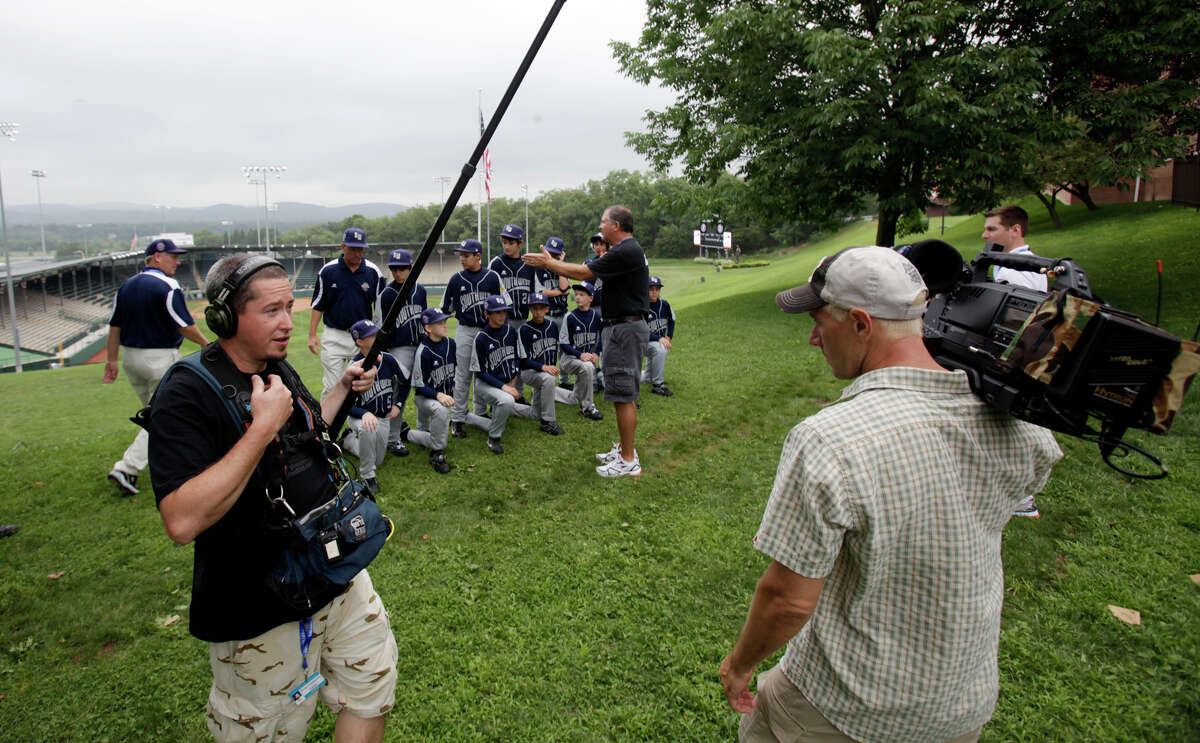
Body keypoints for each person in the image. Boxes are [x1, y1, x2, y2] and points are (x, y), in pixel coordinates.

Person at [717, 246, 1062, 743]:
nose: (814, 339)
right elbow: (1029, 477)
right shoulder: (1017, 423)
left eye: (819, 321)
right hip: (960, 705)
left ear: (860, 323)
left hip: (845, 708)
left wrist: (740, 664)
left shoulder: (829, 439)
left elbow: (788, 601)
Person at [148, 253, 397, 743]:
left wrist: (342, 387)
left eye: (290, 307)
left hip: (334, 569)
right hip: (259, 601)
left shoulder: (277, 366)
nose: (288, 323)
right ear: (225, 316)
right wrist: (259, 428)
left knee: (372, 683)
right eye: (271, 311)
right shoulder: (186, 391)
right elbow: (180, 520)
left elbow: (308, 436)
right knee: (268, 730)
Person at [524, 205, 650, 477]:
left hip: (625, 330)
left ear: (616, 226)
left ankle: (628, 460)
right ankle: (624, 449)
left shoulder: (625, 250)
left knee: (624, 395)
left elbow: (582, 273)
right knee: (619, 394)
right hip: (621, 328)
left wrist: (549, 263)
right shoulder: (622, 251)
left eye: (604, 222)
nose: (601, 226)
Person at [102, 237, 209, 496]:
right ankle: (127, 467)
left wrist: (112, 360)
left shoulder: (126, 286)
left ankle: (175, 463)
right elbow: (182, 324)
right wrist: (207, 344)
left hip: (131, 359)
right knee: (162, 417)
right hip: (158, 359)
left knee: (159, 414)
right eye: (173, 256)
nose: (177, 261)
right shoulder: (167, 285)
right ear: (156, 257)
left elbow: (115, 326)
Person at [983, 204, 1049, 518]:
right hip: (1018, 358)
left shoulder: (1017, 271)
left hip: (1011, 358)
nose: (986, 235)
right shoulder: (1021, 265)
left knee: (1007, 426)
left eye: (992, 229)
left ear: (1015, 230)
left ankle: (1022, 497)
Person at [308, 227, 386, 398]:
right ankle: (327, 424)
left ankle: (357, 424)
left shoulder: (373, 272)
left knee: (363, 386)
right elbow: (318, 304)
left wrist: (378, 336)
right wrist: (312, 335)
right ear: (343, 247)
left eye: (361, 249)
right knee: (332, 387)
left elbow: (381, 307)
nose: (358, 253)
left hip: (363, 336)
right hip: (334, 335)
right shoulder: (328, 271)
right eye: (353, 249)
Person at [440, 238, 503, 440]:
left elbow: (504, 304)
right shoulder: (456, 279)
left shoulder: (493, 277)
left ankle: (482, 412)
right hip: (465, 330)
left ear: (478, 256)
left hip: (488, 331)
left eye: (466, 255)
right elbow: (444, 309)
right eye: (461, 255)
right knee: (463, 375)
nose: (462, 259)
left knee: (489, 372)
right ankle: (457, 419)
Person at [338, 320, 407, 496]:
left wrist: (398, 404)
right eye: (371, 336)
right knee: (368, 428)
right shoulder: (354, 366)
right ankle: (368, 476)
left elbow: (405, 382)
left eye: (376, 333)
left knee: (378, 459)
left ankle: (347, 440)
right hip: (359, 416)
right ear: (359, 341)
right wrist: (364, 413)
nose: (376, 337)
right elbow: (345, 405)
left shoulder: (389, 359)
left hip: (382, 417)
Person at [468, 294, 536, 454]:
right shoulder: (481, 338)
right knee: (506, 400)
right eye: (497, 312)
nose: (502, 315)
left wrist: (513, 379)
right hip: (485, 384)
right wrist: (504, 387)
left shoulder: (512, 331)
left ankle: (470, 418)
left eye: (503, 312)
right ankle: (494, 437)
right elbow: (480, 372)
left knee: (507, 400)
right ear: (487, 314)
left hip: (506, 382)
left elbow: (519, 358)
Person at [378, 248, 428, 457]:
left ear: (410, 268)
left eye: (402, 269)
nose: (398, 273)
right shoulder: (386, 295)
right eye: (394, 269)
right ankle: (393, 439)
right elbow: (379, 326)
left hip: (421, 345)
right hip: (399, 348)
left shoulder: (420, 291)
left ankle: (424, 430)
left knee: (425, 386)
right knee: (397, 390)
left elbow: (425, 319)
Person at [406, 307, 456, 474]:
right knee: (441, 411)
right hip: (424, 397)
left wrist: (452, 387)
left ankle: (409, 434)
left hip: (441, 394)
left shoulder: (451, 344)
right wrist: (439, 395)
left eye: (445, 321)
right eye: (440, 322)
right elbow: (419, 385)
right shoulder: (423, 351)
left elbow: (452, 371)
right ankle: (437, 452)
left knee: (435, 423)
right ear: (428, 328)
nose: (445, 325)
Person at [518, 292, 566, 435]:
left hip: (546, 372)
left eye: (541, 308)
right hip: (529, 372)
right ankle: (548, 422)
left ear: (547, 309)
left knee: (534, 413)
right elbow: (523, 360)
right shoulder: (524, 329)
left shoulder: (552, 326)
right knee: (549, 379)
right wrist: (544, 367)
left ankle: (507, 407)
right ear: (531, 309)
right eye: (534, 308)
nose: (538, 311)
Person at [556, 282, 604, 421]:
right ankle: (588, 407)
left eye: (582, 295)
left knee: (575, 398)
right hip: (569, 359)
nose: (577, 297)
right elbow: (564, 343)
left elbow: (603, 337)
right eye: (576, 294)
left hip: (587, 359)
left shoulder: (596, 316)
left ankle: (548, 392)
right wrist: (580, 355)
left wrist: (597, 353)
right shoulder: (570, 317)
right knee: (588, 366)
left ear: (591, 298)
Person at [982, 204, 1049, 292]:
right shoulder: (1029, 261)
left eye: (991, 229)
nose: (984, 235)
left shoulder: (1014, 271)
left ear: (1015, 230)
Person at [489, 223, 537, 330]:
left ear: (520, 243)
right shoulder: (496, 263)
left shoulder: (528, 264)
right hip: (502, 319)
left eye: (511, 243)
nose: (506, 246)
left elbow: (533, 291)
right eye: (504, 242)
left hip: (524, 319)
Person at [641, 275, 676, 396]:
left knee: (646, 378)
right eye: (651, 289)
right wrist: (659, 338)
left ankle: (648, 377)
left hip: (656, 342)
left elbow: (671, 320)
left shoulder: (664, 304)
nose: (654, 292)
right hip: (642, 343)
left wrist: (669, 336)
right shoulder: (642, 307)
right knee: (661, 349)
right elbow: (642, 331)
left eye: (657, 289)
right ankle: (658, 384)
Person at [535, 236, 571, 322]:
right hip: (547, 316)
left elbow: (564, 288)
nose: (551, 256)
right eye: (549, 253)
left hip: (563, 315)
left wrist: (560, 264)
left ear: (560, 254)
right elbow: (542, 293)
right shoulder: (538, 268)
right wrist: (560, 292)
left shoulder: (564, 267)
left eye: (555, 254)